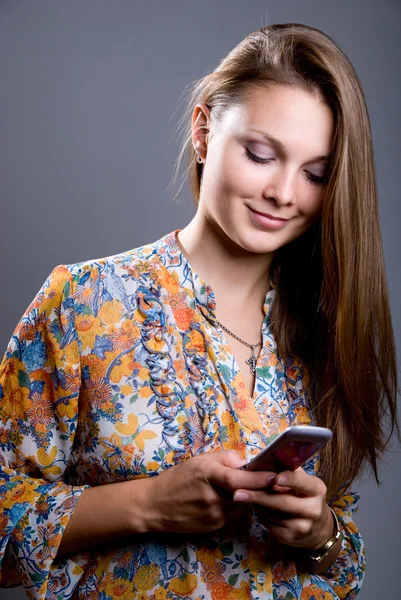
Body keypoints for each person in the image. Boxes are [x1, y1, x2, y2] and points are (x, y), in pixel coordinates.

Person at [0, 22, 398, 600]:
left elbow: (339, 564)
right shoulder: (84, 303)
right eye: (262, 155)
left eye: (315, 173)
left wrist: (320, 531)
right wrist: (146, 506)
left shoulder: (321, 327)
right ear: (204, 131)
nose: (285, 193)